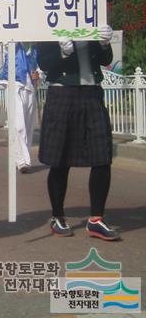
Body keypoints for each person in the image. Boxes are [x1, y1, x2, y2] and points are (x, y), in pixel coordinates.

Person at [37, 25, 119, 241]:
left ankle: (96, 219)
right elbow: (44, 62)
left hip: (92, 91)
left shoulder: (91, 18)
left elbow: (104, 59)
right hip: (62, 92)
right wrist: (62, 52)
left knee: (102, 155)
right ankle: (57, 215)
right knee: (60, 159)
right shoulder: (50, 22)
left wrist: (104, 43)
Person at [0, 43, 39, 172]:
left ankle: (23, 159)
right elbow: (4, 50)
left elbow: (39, 66)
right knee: (18, 125)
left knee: (28, 126)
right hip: (13, 83)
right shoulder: (10, 41)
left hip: (30, 86)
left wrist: (38, 75)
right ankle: (22, 161)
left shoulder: (34, 46)